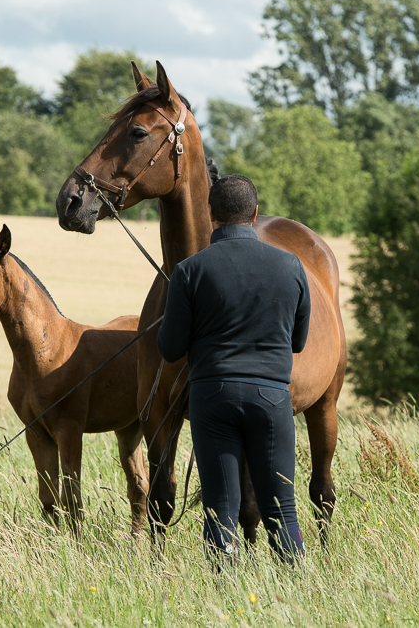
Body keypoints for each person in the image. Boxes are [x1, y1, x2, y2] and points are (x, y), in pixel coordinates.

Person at [157, 175, 310, 566]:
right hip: (271, 399)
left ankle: (224, 591)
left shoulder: (189, 271)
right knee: (283, 506)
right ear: (255, 214)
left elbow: (170, 348)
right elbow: (297, 341)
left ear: (210, 214)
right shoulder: (291, 265)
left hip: (212, 397)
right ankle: (292, 590)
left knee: (219, 507)